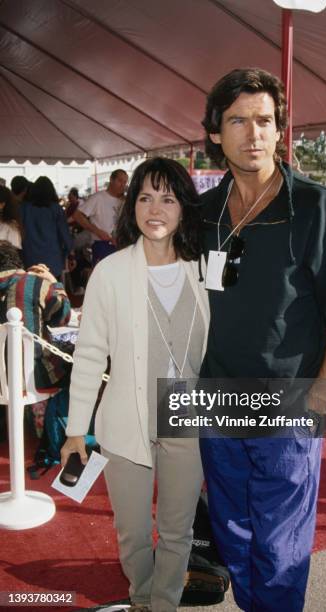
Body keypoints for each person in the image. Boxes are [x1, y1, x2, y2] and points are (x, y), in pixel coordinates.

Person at [199, 68, 326, 612]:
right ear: (213, 133)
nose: (253, 133)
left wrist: (316, 402)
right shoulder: (202, 215)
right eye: (238, 121)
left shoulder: (320, 209)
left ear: (280, 131)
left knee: (279, 551)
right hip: (216, 405)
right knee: (232, 535)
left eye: (265, 121)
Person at [61, 158, 209, 612]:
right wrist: (74, 432)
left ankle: (161, 604)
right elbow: (89, 355)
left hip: (187, 419)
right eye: (145, 197)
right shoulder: (110, 271)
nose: (156, 208)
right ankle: (141, 596)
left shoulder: (204, 270)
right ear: (132, 206)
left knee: (178, 529)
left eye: (168, 198)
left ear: (184, 206)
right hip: (125, 419)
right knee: (132, 531)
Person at [0, 241, 71, 390]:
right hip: (33, 376)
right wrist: (53, 281)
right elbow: (63, 316)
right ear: (18, 261)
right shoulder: (32, 284)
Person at [20, 176, 73, 279]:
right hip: (53, 259)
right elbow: (64, 234)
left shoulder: (24, 208)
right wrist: (70, 253)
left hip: (30, 258)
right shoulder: (56, 209)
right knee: (52, 291)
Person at [73, 169, 128, 266]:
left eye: (125, 182)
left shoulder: (125, 200)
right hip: (102, 245)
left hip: (121, 246)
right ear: (111, 180)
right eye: (120, 181)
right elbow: (77, 215)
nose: (123, 185)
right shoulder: (98, 197)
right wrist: (97, 231)